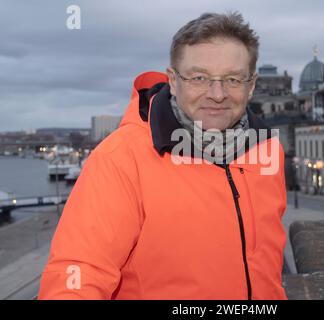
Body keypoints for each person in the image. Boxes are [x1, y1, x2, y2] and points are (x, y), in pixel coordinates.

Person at [38, 11, 287, 300]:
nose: (217, 94)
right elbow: (78, 272)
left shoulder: (267, 150)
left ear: (251, 85)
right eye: (199, 77)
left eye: (232, 79)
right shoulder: (121, 158)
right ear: (173, 80)